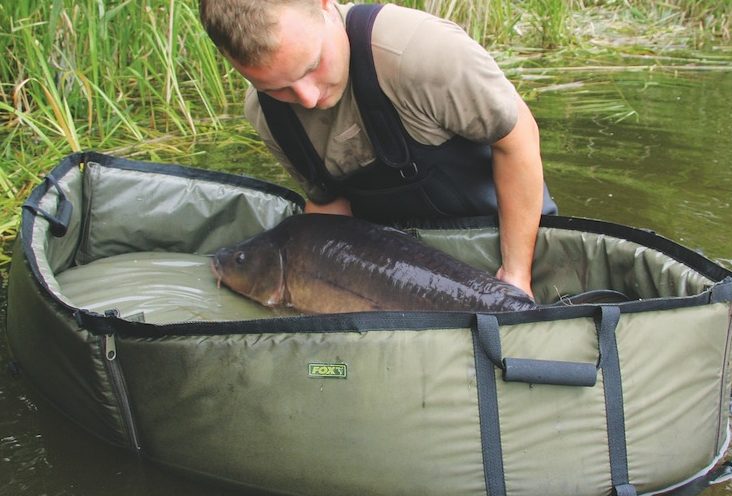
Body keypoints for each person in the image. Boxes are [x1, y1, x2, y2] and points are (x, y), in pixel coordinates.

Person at [199, 0, 557, 298]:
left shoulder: (421, 52)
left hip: (502, 240)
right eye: (278, 88)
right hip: (395, 269)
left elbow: (518, 140)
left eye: (312, 65)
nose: (307, 98)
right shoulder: (266, 114)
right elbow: (328, 206)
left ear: (325, 5)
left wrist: (515, 276)